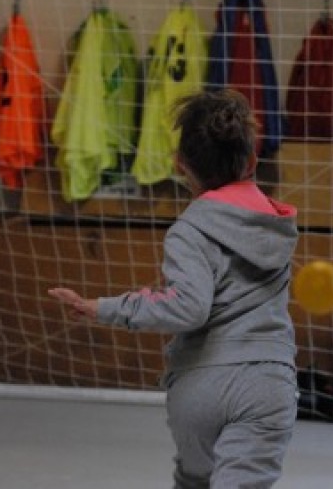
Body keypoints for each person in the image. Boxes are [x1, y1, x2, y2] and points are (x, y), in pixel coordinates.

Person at [48, 89, 299, 488]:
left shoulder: (190, 230)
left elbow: (187, 307)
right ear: (252, 161)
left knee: (195, 480)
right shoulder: (277, 226)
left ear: (180, 164)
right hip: (269, 384)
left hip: (201, 388)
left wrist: (103, 307)